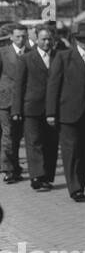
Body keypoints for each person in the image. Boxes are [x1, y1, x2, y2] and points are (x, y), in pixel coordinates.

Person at [46, 21, 85, 200]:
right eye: (83, 38)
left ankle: (81, 185)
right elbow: (53, 86)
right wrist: (51, 113)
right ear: (77, 39)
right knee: (70, 151)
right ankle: (74, 187)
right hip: (68, 112)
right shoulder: (64, 57)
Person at [14, 24, 59, 191]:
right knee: (34, 142)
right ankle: (36, 177)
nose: (47, 43)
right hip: (31, 108)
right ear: (36, 40)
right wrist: (16, 110)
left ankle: (47, 176)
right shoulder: (26, 58)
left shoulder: (58, 57)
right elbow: (19, 85)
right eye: (43, 39)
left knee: (50, 143)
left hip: (53, 108)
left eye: (49, 39)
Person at [0, 22, 30, 183]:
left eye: (24, 36)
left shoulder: (31, 53)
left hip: (25, 101)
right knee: (8, 134)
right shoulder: (3, 52)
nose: (21, 39)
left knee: (18, 136)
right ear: (11, 37)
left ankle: (16, 166)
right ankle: (8, 169)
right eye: (18, 36)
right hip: (6, 101)